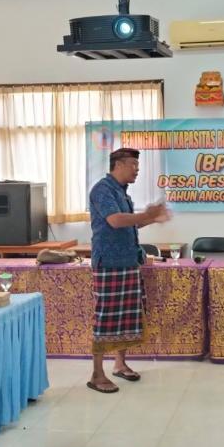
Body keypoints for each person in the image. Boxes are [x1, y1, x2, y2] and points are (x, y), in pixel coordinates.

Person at [87, 147, 170, 394]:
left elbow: (129, 225)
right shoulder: (102, 189)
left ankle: (119, 364)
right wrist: (145, 214)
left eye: (138, 165)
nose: (137, 170)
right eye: (133, 165)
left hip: (128, 261)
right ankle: (97, 374)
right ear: (119, 164)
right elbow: (115, 221)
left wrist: (152, 218)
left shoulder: (122, 192)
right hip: (109, 263)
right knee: (106, 318)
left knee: (126, 317)